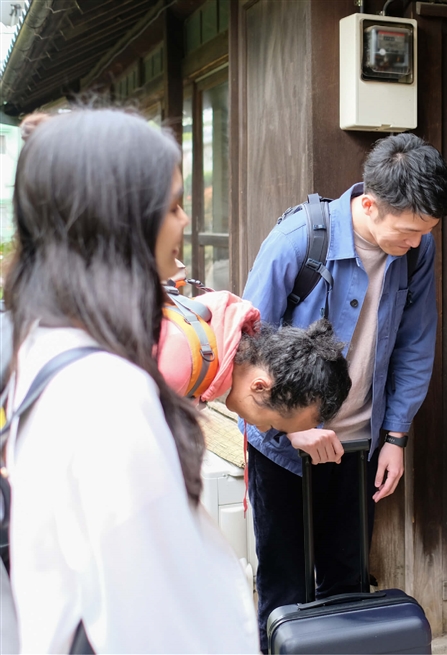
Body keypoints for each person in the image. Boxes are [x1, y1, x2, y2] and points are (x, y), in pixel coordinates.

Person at [2, 108, 258, 652]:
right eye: (171, 206)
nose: (186, 221)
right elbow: (150, 618)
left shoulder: (41, 343)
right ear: (117, 223)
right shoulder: (107, 394)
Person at [241, 132, 447, 649]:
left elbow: (415, 342)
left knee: (350, 588)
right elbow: (243, 353)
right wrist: (291, 430)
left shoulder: (416, 251)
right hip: (281, 449)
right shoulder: (296, 242)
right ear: (369, 204)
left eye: (425, 232)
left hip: (359, 444)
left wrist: (396, 437)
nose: (414, 242)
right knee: (284, 589)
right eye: (407, 231)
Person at [158, 286, 352, 436]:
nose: (263, 430)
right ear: (260, 386)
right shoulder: (180, 365)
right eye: (273, 424)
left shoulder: (214, 333)